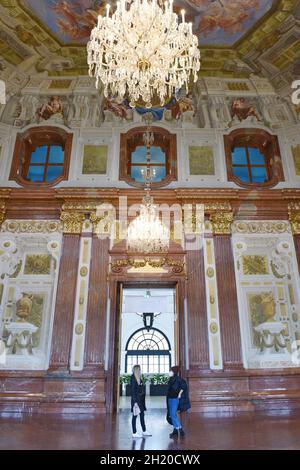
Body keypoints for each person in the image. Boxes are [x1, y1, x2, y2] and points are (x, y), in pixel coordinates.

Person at [167, 366, 191, 438]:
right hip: (170, 398)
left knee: (173, 414)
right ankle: (175, 430)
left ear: (174, 372)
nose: (169, 372)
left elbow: (184, 386)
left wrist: (179, 394)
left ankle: (180, 430)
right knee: (171, 414)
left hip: (175, 399)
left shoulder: (178, 379)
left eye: (170, 371)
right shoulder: (171, 379)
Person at [130, 365, 152, 438]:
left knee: (142, 416)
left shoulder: (139, 378)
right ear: (136, 370)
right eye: (139, 369)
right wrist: (135, 402)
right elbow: (133, 392)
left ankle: (144, 431)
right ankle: (134, 432)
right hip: (136, 401)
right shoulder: (133, 378)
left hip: (141, 401)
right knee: (135, 416)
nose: (140, 370)